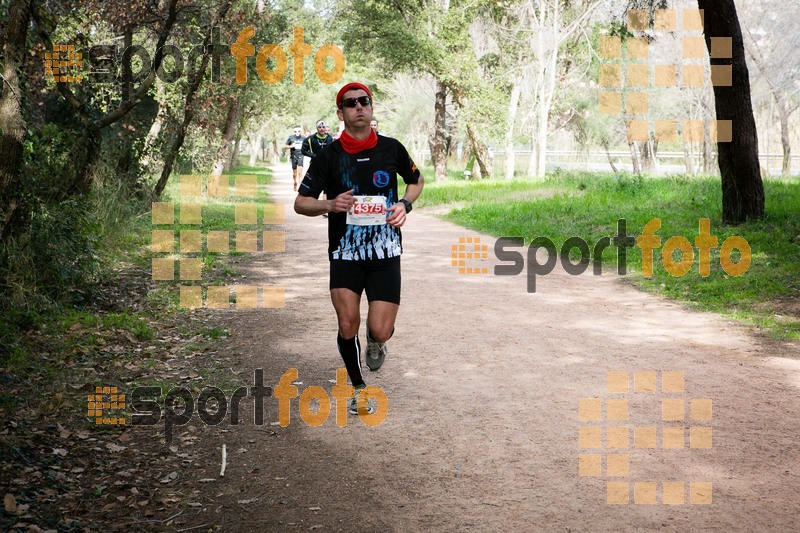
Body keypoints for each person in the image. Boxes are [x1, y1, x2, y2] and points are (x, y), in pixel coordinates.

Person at [294, 82, 424, 415]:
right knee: (347, 323)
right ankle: (359, 387)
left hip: (385, 252)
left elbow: (416, 180)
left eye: (364, 101)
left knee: (380, 328)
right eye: (350, 103)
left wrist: (405, 205)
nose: (359, 107)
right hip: (344, 252)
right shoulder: (328, 156)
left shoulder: (392, 148)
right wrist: (329, 205)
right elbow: (301, 203)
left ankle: (376, 341)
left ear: (371, 107)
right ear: (341, 113)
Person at [283, 125, 305, 191]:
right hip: (293, 156)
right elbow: (285, 146)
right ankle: (295, 183)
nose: (297, 132)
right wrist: (291, 146)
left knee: (300, 172)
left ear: (300, 131)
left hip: (301, 155)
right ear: (294, 131)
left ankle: (300, 186)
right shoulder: (291, 138)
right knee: (294, 173)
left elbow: (307, 146)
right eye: (295, 131)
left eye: (298, 131)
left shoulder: (303, 138)